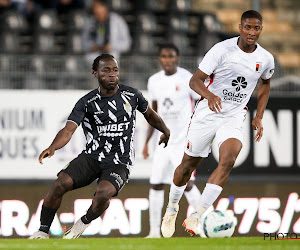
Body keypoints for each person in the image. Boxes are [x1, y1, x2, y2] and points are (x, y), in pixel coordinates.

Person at [29, 54, 170, 239]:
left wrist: (166, 131)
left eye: (115, 70)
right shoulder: (87, 102)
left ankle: (81, 224)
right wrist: (53, 147)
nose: (112, 75)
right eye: (106, 70)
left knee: (103, 194)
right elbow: (68, 130)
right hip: (92, 157)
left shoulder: (132, 95)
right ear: (95, 73)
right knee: (60, 183)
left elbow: (150, 115)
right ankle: (42, 231)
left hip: (120, 161)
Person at [161, 10, 275, 237]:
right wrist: (210, 96)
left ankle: (197, 215)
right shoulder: (221, 50)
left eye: (256, 28)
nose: (252, 32)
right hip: (207, 112)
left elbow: (265, 84)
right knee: (186, 167)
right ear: (240, 27)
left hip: (233, 115)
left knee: (229, 158)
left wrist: (259, 116)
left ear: (261, 29)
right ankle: (172, 209)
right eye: (248, 27)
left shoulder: (265, 59)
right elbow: (195, 81)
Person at [142, 43, 202, 238]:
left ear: (177, 58)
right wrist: (145, 142)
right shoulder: (154, 81)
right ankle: (153, 232)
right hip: (162, 141)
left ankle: (205, 225)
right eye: (164, 56)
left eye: (171, 56)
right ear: (160, 59)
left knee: (187, 183)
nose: (167, 60)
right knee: (156, 183)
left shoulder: (187, 78)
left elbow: (200, 104)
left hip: (183, 140)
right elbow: (154, 113)